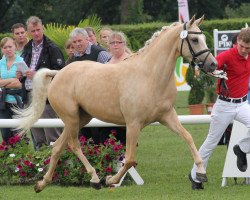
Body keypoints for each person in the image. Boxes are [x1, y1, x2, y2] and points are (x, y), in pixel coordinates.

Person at [189, 28, 250, 190]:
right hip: (224, 106)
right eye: (241, 46)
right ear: (237, 42)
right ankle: (196, 176)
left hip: (243, 104)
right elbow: (210, 68)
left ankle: (241, 149)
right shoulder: (226, 55)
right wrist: (213, 72)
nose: (244, 50)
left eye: (247, 48)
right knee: (211, 142)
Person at [20, 16, 65, 150]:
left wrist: (38, 75)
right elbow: (24, 70)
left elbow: (60, 74)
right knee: (38, 139)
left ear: (43, 28)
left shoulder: (52, 48)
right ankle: (41, 169)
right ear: (28, 32)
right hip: (29, 97)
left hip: (47, 98)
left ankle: (58, 168)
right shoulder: (27, 48)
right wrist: (20, 75)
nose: (36, 33)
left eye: (38, 30)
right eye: (33, 31)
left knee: (52, 137)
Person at [68, 27, 111, 144]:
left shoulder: (101, 54)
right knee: (86, 136)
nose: (77, 44)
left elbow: (111, 76)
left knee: (103, 134)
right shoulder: (72, 59)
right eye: (75, 42)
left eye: (80, 41)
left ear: (87, 39)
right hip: (81, 104)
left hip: (101, 102)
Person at [0, 37, 23, 143]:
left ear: (15, 47)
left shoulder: (21, 62)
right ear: (2, 49)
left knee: (18, 133)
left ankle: (20, 157)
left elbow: (19, 84)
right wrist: (12, 80)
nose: (8, 49)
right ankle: (8, 157)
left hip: (17, 101)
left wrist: (5, 82)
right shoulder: (0, 63)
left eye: (10, 46)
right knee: (5, 133)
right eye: (5, 47)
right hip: (3, 102)